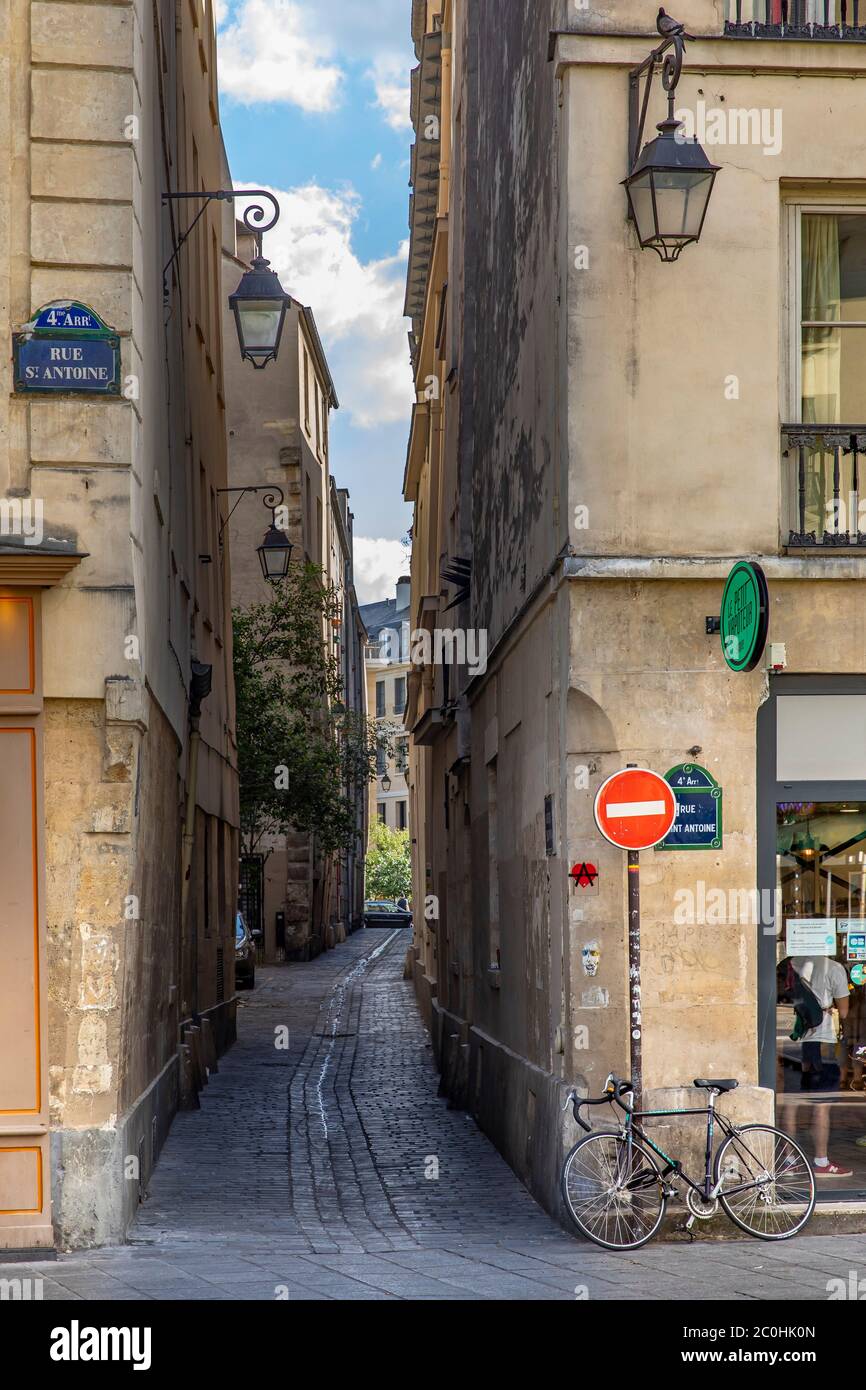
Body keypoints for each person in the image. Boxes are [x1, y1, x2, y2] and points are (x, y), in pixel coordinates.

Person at [791, 953, 852, 1178]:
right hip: (822, 1041)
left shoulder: (792, 964)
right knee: (822, 1104)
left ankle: (789, 1161)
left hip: (793, 1040)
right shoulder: (833, 968)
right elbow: (844, 1011)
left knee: (791, 1103)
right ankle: (821, 1161)